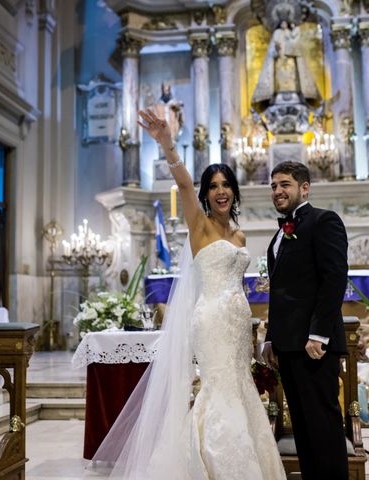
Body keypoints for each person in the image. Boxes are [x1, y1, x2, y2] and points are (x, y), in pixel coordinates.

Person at [91, 109, 286, 480]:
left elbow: (238, 286)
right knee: (218, 389)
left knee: (240, 386)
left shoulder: (240, 236)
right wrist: (168, 144)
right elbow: (182, 183)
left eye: (225, 184)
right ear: (206, 194)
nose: (220, 191)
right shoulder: (199, 225)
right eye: (213, 186)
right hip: (211, 322)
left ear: (234, 191)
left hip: (237, 325)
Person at [262, 161, 349, 480]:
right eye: (273, 185)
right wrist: (272, 337)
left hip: (314, 346)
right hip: (288, 345)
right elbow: (281, 291)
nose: (278, 191)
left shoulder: (324, 221)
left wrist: (319, 335)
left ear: (304, 188)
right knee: (303, 427)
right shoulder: (282, 231)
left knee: (323, 426)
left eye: (285, 184)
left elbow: (334, 279)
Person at [251, 19, 320, 113]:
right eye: (282, 23)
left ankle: (294, 94)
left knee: (292, 76)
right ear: (280, 24)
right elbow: (273, 48)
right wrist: (277, 50)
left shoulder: (289, 32)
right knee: (280, 76)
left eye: (285, 23)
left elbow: (294, 42)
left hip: (290, 59)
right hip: (279, 59)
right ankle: (278, 94)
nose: (284, 25)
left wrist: (292, 48)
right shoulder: (277, 32)